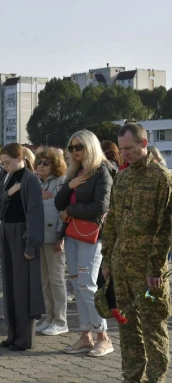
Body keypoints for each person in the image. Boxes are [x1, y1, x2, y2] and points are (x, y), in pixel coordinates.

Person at [102, 123, 172, 383]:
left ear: (144, 143)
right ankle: (131, 377)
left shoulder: (161, 177)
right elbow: (112, 222)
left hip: (148, 270)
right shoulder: (122, 176)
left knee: (154, 329)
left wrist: (156, 267)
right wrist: (107, 259)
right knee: (128, 329)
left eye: (129, 148)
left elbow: (166, 227)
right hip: (122, 267)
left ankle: (156, 379)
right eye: (121, 149)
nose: (124, 154)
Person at [55, 130, 114, 357]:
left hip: (92, 236)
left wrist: (70, 210)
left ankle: (104, 337)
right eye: (71, 147)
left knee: (88, 286)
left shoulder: (102, 172)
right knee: (77, 287)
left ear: (90, 146)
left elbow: (101, 207)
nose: (74, 151)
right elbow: (59, 202)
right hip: (72, 235)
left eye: (78, 147)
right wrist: (70, 186)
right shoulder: (75, 172)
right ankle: (85, 336)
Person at [0, 143, 45, 351]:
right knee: (10, 286)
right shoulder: (6, 178)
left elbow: (35, 214)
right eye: (3, 163)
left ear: (20, 158)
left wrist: (31, 245)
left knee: (23, 289)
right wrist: (9, 193)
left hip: (22, 235)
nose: (5, 166)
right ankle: (12, 334)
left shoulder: (30, 180)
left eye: (8, 162)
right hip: (6, 233)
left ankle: (25, 338)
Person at [34, 147, 68, 336]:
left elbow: (63, 212)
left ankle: (61, 320)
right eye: (39, 162)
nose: (41, 165)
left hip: (55, 238)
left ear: (55, 164)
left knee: (56, 280)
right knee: (45, 281)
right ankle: (49, 317)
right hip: (40, 238)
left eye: (45, 162)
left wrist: (60, 237)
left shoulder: (62, 182)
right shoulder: (37, 182)